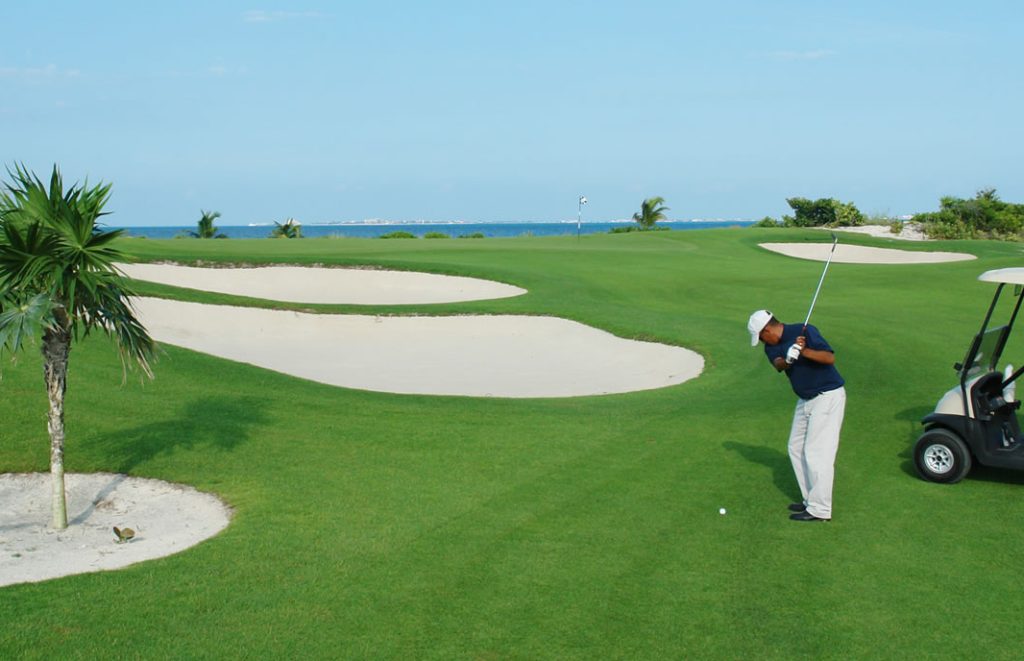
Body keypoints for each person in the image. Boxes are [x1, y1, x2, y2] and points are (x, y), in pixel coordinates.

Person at [747, 309, 846, 522]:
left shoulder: (805, 330)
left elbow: (829, 358)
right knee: (795, 447)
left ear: (767, 329)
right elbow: (778, 365)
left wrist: (804, 351)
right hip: (805, 399)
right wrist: (789, 359)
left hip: (827, 396)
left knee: (816, 452)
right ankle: (810, 499)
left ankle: (820, 509)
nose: (763, 342)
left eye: (762, 336)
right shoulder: (770, 347)